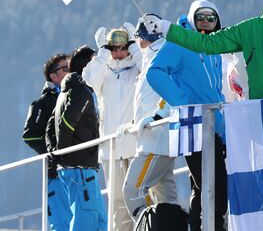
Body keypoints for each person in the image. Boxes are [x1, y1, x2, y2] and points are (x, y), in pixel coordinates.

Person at [146, 0, 227, 230]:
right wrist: (183, 101)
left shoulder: (214, 46)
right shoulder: (180, 41)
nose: (205, 21)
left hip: (214, 123)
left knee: (205, 185)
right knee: (213, 185)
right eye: (200, 17)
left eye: (211, 18)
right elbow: (155, 72)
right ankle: (206, 226)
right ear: (191, 18)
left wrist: (224, 128)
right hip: (191, 122)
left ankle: (202, 225)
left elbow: (215, 89)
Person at [121, 14, 184, 222]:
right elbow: (148, 98)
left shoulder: (160, 55)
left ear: (143, 36)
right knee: (167, 199)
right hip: (154, 137)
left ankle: (148, 226)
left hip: (156, 140)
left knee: (132, 190)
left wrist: (157, 116)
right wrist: (135, 122)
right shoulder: (152, 55)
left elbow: (170, 91)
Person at [82, 24, 141, 231]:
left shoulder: (136, 67)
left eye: (122, 46)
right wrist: (103, 53)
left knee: (140, 199)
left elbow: (149, 69)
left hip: (135, 145)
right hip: (111, 148)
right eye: (113, 47)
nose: (117, 51)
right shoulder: (103, 70)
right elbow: (89, 79)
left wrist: (134, 47)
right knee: (117, 205)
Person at [53, 46, 107, 231]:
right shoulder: (81, 92)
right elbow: (67, 123)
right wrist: (66, 154)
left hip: (82, 167)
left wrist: (60, 154)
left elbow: (50, 128)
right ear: (87, 67)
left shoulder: (65, 92)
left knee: (100, 221)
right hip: (80, 168)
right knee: (86, 219)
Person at [23, 53, 71, 231]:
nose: (69, 71)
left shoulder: (71, 96)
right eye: (64, 68)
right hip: (55, 174)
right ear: (53, 76)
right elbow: (30, 135)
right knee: (61, 223)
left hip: (72, 169)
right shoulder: (42, 102)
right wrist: (52, 153)